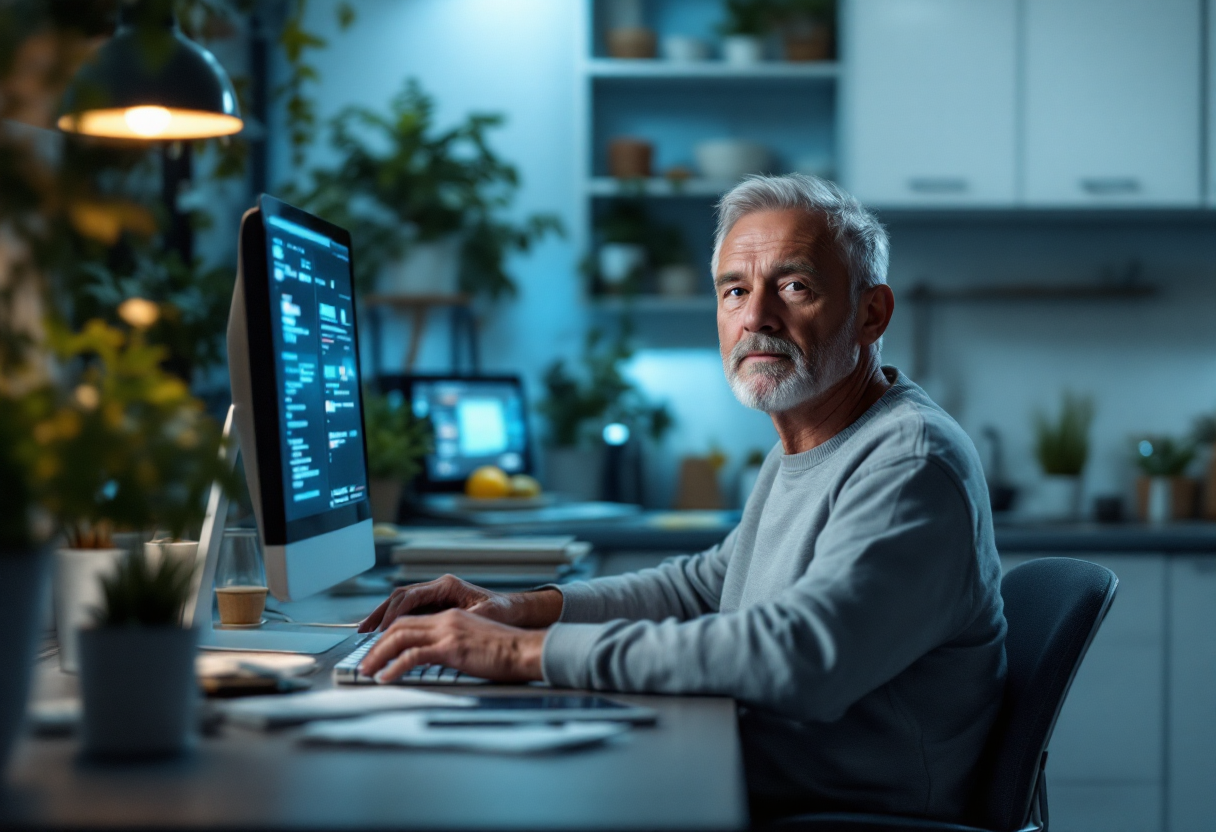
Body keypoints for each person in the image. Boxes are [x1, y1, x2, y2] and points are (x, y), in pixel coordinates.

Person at [357, 174, 1007, 823]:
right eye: (735, 290)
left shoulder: (908, 462)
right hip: (759, 783)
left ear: (872, 313)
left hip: (840, 818)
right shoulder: (808, 443)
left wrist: (513, 653)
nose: (756, 317)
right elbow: (699, 590)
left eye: (794, 286)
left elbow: (800, 656)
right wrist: (516, 610)